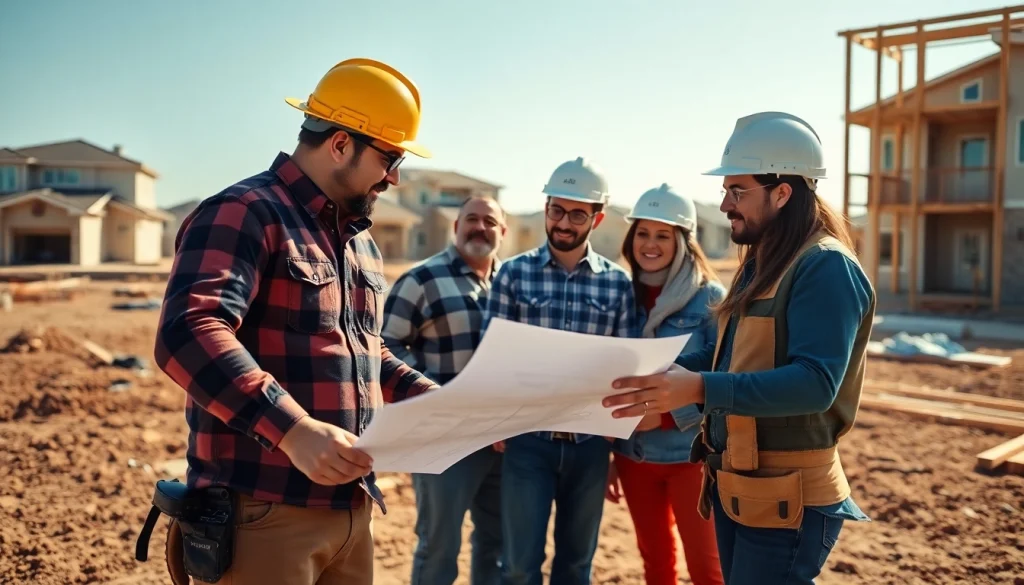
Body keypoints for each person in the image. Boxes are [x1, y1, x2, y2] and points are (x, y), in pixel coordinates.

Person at [152, 58, 441, 585]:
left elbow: (364, 351)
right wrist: (293, 431)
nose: (395, 177)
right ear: (339, 144)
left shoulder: (360, 243)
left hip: (352, 512)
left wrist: (437, 400)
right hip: (264, 513)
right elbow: (189, 331)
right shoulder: (245, 211)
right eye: (389, 157)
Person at [602, 112, 875, 585]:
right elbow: (725, 356)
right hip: (740, 486)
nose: (724, 203)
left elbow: (815, 384)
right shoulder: (762, 262)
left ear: (782, 192)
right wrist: (654, 374)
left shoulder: (825, 267)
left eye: (737, 190)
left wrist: (698, 388)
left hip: (788, 497)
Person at [483, 157, 636, 585]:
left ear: (597, 218)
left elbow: (625, 366)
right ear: (546, 206)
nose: (563, 223)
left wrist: (612, 438)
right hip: (527, 444)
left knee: (575, 566)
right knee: (518, 567)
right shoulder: (513, 274)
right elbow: (492, 356)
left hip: (590, 448)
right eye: (556, 210)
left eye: (577, 214)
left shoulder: (618, 284)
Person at [381, 196, 508, 585]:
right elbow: (383, 347)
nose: (480, 227)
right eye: (471, 219)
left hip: (504, 443)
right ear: (456, 227)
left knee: (497, 543)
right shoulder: (421, 279)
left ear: (502, 233)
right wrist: (440, 395)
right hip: (442, 438)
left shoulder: (512, 282)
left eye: (490, 222)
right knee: (438, 547)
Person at [605, 184, 726, 585]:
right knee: (656, 565)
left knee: (707, 568)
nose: (650, 244)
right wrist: (607, 450)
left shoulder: (709, 299)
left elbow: (725, 382)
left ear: (683, 241)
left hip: (690, 458)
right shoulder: (618, 294)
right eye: (643, 233)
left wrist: (668, 418)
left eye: (662, 235)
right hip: (632, 456)